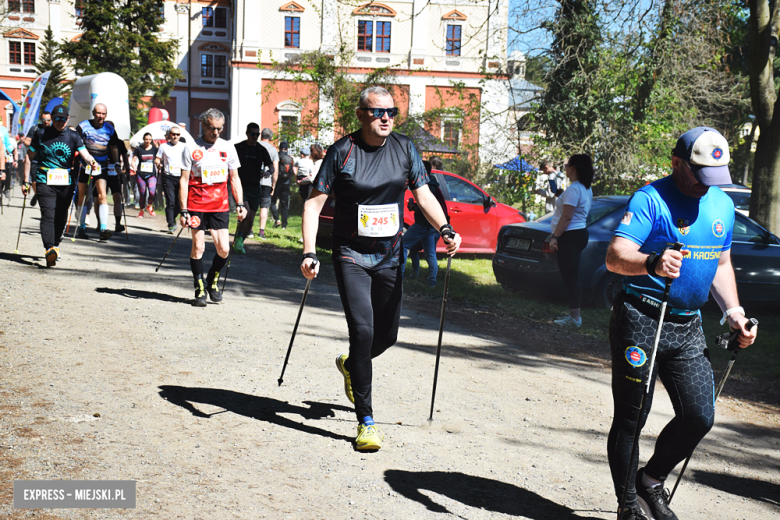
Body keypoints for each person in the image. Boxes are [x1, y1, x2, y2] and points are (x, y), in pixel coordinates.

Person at [604, 127, 758, 520]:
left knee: (699, 416)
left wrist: (734, 313)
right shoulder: (650, 199)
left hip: (687, 325)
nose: (707, 186)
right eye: (699, 175)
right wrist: (651, 263)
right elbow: (615, 255)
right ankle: (627, 506)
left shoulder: (721, 203)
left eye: (714, 176)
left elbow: (721, 264)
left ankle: (650, 482)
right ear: (676, 163)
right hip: (641, 317)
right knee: (632, 416)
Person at [300, 86, 462, 451]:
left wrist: (445, 229)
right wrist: (309, 252)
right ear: (361, 115)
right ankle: (366, 421)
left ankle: (350, 364)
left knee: (385, 337)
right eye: (377, 112)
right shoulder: (342, 152)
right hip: (350, 255)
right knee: (362, 332)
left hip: (390, 254)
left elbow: (423, 196)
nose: (386, 117)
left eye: (391, 111)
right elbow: (312, 207)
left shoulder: (405, 148)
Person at [180, 108, 245, 306]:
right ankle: (199, 286)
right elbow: (183, 181)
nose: (216, 132)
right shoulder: (191, 148)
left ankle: (211, 280)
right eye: (212, 128)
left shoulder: (228, 147)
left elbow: (234, 178)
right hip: (197, 204)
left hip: (220, 205)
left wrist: (240, 203)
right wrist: (183, 210)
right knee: (198, 246)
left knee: (224, 249)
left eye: (219, 129)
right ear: (203, 125)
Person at [21, 105, 98, 267]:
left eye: (64, 119)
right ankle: (49, 248)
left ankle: (55, 246)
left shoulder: (73, 136)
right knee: (48, 213)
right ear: (52, 118)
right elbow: (29, 157)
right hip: (44, 180)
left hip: (66, 182)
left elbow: (85, 154)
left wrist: (92, 162)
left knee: (61, 215)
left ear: (68, 119)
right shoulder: (41, 134)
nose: (60, 122)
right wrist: (26, 180)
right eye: (57, 119)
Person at [548, 154, 594, 327]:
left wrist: (555, 237)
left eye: (567, 165)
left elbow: (567, 217)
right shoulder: (585, 188)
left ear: (573, 168)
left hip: (570, 235)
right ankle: (574, 316)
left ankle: (575, 318)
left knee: (571, 278)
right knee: (572, 276)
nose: (565, 167)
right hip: (579, 233)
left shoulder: (574, 189)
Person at [74, 103, 123, 241]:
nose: (100, 116)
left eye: (103, 114)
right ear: (93, 113)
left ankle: (103, 229)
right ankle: (82, 227)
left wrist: (117, 163)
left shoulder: (109, 129)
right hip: (86, 165)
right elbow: (76, 143)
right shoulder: (83, 126)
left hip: (102, 165)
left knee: (102, 194)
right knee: (82, 195)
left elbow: (113, 147)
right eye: (98, 113)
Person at [402, 160, 448, 286]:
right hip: (431, 226)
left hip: (423, 224)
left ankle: (399, 276)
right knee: (430, 254)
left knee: (403, 245)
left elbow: (428, 207)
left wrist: (414, 207)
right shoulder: (432, 183)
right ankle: (431, 281)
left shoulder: (427, 185)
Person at [233, 123, 273, 253]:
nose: (255, 137)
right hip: (241, 185)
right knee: (245, 212)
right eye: (252, 134)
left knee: (251, 218)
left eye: (257, 134)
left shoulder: (261, 150)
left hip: (255, 186)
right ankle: (238, 238)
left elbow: (271, 166)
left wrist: (269, 172)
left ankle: (240, 241)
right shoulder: (239, 147)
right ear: (247, 133)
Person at [155, 126, 186, 233]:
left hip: (181, 176)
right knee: (170, 201)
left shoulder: (184, 146)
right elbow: (157, 159)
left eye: (178, 135)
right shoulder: (163, 146)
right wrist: (158, 164)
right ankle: (171, 224)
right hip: (168, 176)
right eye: (173, 134)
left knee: (179, 202)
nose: (175, 136)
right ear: (169, 135)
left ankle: (173, 218)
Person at [25, 111, 52, 207]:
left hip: (48, 161)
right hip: (36, 159)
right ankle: (37, 194)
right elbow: (26, 141)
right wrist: (36, 145)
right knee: (34, 182)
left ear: (51, 120)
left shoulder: (53, 130)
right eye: (44, 120)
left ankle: (43, 197)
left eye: (48, 120)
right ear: (41, 120)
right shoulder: (35, 128)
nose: (46, 122)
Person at [131, 132, 159, 218]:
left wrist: (159, 164)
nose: (148, 141)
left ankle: (149, 205)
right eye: (146, 139)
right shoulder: (139, 149)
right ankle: (141, 211)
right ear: (143, 139)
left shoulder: (154, 149)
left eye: (149, 139)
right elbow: (133, 160)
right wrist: (134, 167)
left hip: (151, 174)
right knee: (142, 193)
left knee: (152, 191)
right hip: (141, 174)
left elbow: (158, 159)